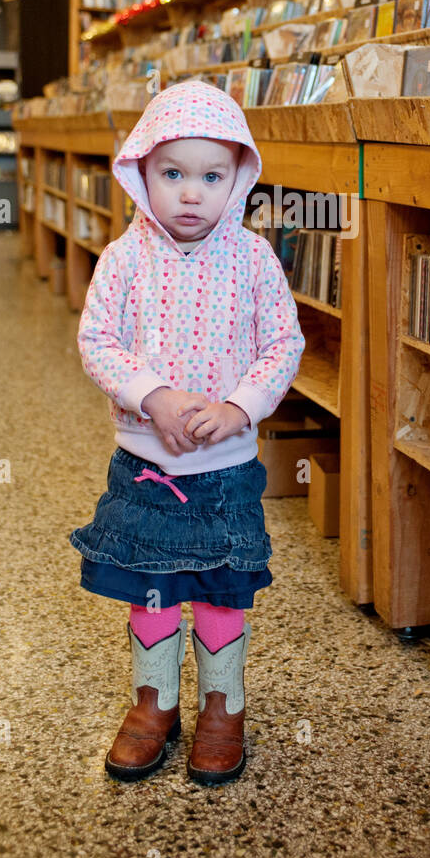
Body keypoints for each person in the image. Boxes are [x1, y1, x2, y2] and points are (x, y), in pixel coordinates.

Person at [70, 80, 305, 786]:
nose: (192, 194)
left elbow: (282, 345)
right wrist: (154, 396)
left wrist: (240, 406)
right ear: (141, 172)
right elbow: (97, 342)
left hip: (226, 471)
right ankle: (154, 705)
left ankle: (222, 709)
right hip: (145, 468)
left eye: (211, 175)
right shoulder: (123, 259)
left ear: (239, 178)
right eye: (173, 174)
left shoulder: (253, 259)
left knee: (220, 590)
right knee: (151, 588)